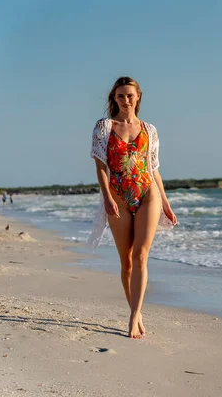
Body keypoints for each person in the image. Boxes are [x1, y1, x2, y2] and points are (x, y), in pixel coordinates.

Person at [89, 76, 177, 339]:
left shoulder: (150, 129)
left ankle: (133, 315)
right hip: (118, 196)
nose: (125, 100)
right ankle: (136, 311)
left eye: (130, 95)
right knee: (126, 261)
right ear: (113, 98)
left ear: (138, 97)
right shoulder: (104, 127)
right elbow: (101, 166)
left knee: (140, 255)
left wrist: (166, 202)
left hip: (147, 193)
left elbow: (154, 168)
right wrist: (106, 197)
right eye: (120, 96)